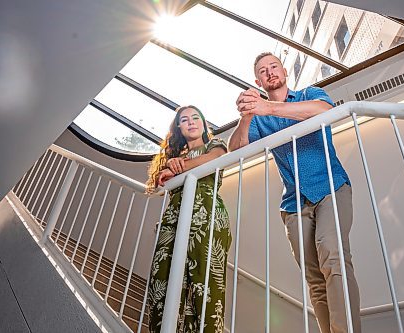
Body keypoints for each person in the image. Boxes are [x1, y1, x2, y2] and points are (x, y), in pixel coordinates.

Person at [228, 52, 361, 333]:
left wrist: (269, 108)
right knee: (314, 278)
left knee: (333, 255)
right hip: (293, 204)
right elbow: (235, 150)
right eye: (263, 71)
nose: (270, 72)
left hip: (330, 187)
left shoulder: (309, 94)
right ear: (257, 81)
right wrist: (246, 116)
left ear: (285, 71)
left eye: (274, 66)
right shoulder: (258, 119)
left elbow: (325, 111)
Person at [146, 105, 231, 333]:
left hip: (207, 215)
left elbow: (214, 159)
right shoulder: (174, 159)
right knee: (161, 281)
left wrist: (178, 169)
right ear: (179, 128)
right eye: (185, 120)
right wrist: (171, 167)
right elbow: (159, 183)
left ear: (203, 124)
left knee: (205, 285)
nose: (191, 122)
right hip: (174, 217)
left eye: (196, 118)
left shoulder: (215, 144)